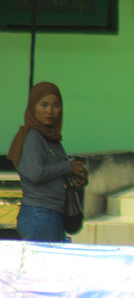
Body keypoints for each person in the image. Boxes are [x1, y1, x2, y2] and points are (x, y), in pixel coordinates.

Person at [7, 82, 88, 242]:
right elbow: (36, 173)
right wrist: (67, 167)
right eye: (43, 105)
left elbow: (56, 172)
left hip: (53, 214)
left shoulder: (51, 139)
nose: (50, 111)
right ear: (33, 106)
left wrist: (75, 177)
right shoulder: (32, 137)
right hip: (40, 214)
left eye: (56, 105)